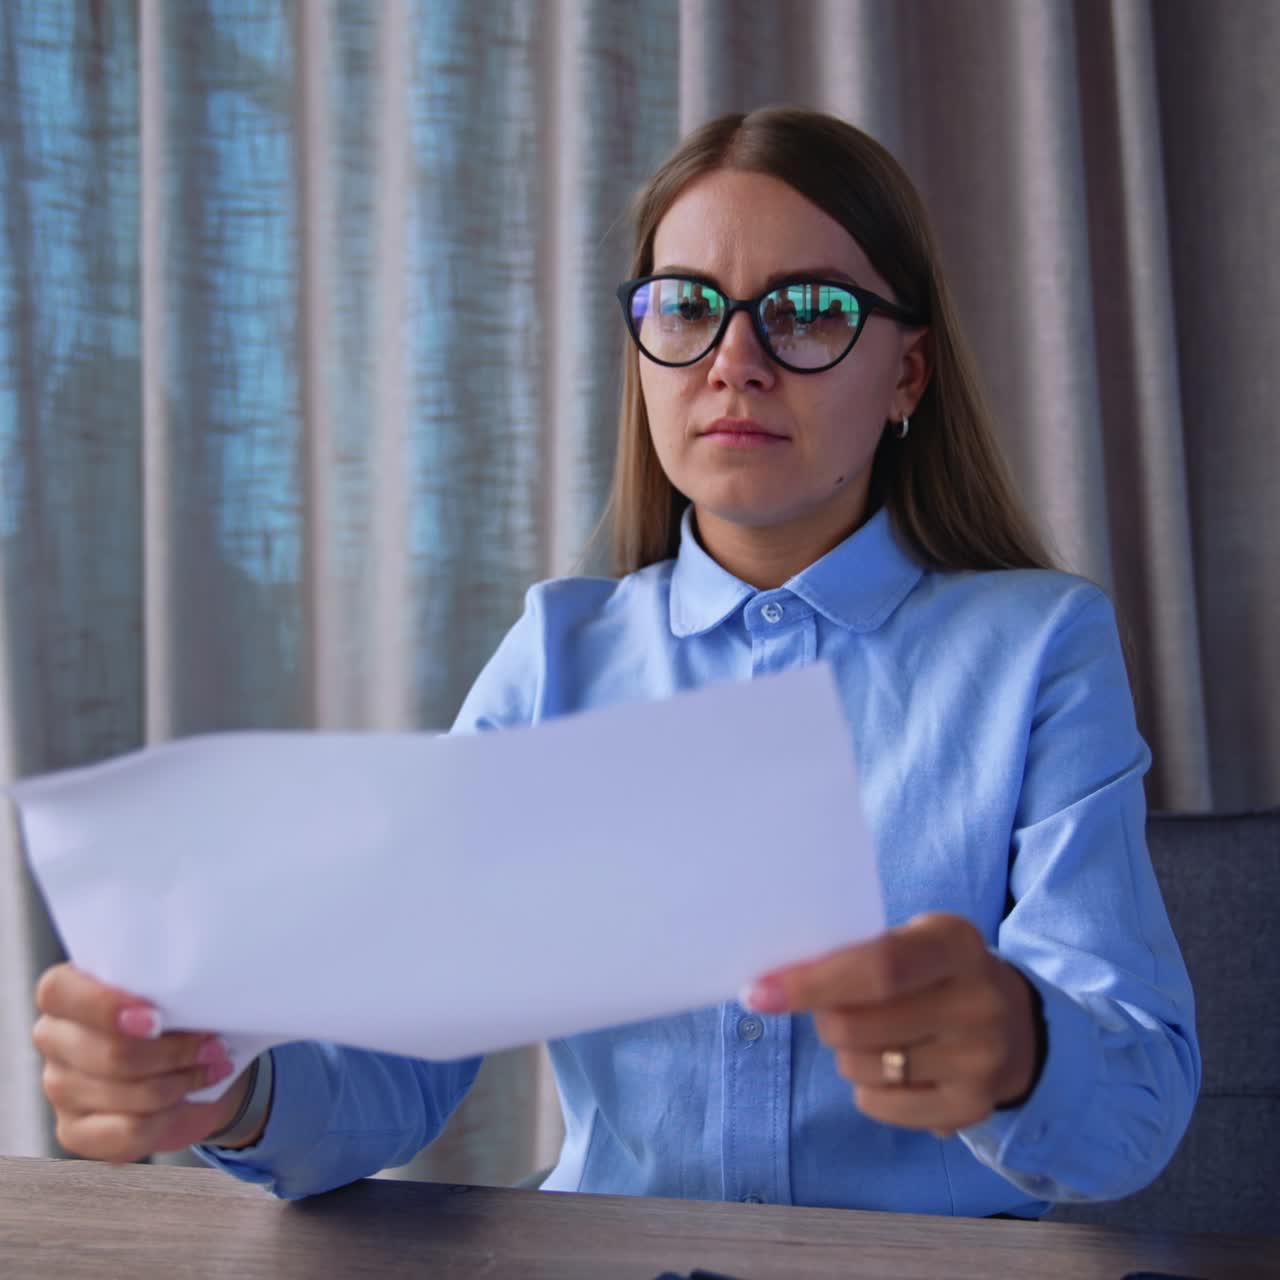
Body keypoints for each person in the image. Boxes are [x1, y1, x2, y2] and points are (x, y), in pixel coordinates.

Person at [30, 106, 1199, 1217]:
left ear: (905, 372)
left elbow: (1135, 1104)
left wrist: (1018, 1045)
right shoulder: (553, 656)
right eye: (686, 306)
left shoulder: (1040, 648)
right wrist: (225, 1088)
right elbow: (398, 1050)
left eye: (803, 309)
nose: (732, 361)